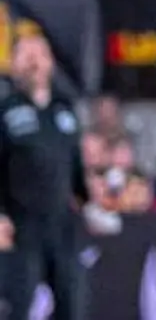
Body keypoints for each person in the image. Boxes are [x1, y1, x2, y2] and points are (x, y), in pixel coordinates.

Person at [0, 35, 89, 320]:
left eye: (39, 54)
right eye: (26, 56)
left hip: (61, 224)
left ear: (50, 63)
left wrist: (89, 202)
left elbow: (74, 164)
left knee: (72, 305)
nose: (34, 62)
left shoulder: (64, 109)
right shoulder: (6, 110)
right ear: (13, 65)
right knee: (19, 304)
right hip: (22, 225)